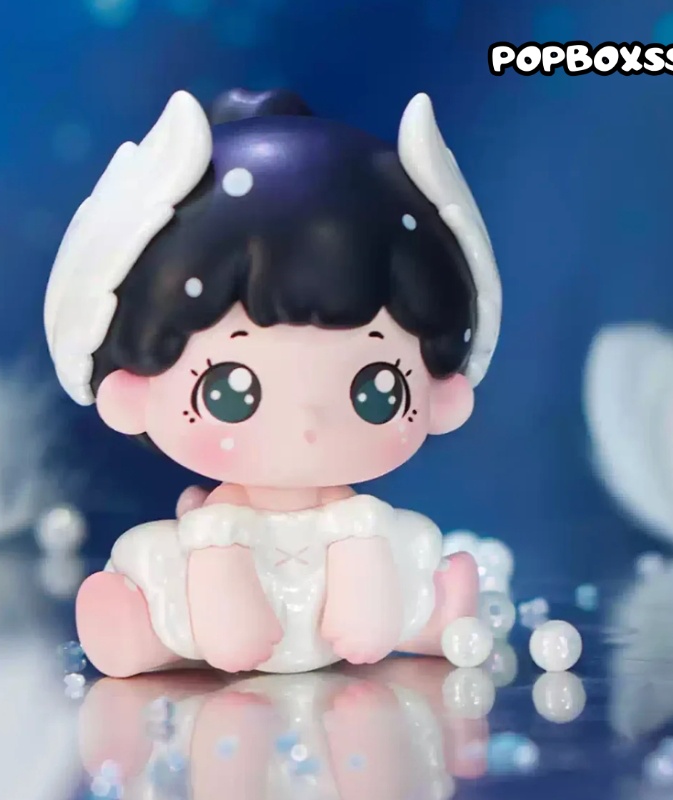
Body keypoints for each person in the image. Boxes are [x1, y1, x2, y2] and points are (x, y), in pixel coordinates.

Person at [44, 87, 502, 676]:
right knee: (171, 584)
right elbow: (224, 616)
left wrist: (366, 606)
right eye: (230, 392)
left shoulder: (360, 522)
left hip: (351, 619)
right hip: (225, 596)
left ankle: (436, 617)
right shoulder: (219, 528)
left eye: (377, 390)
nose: (307, 424)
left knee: (401, 566)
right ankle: (138, 634)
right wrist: (229, 613)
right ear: (133, 393)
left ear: (442, 394)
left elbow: (366, 605)